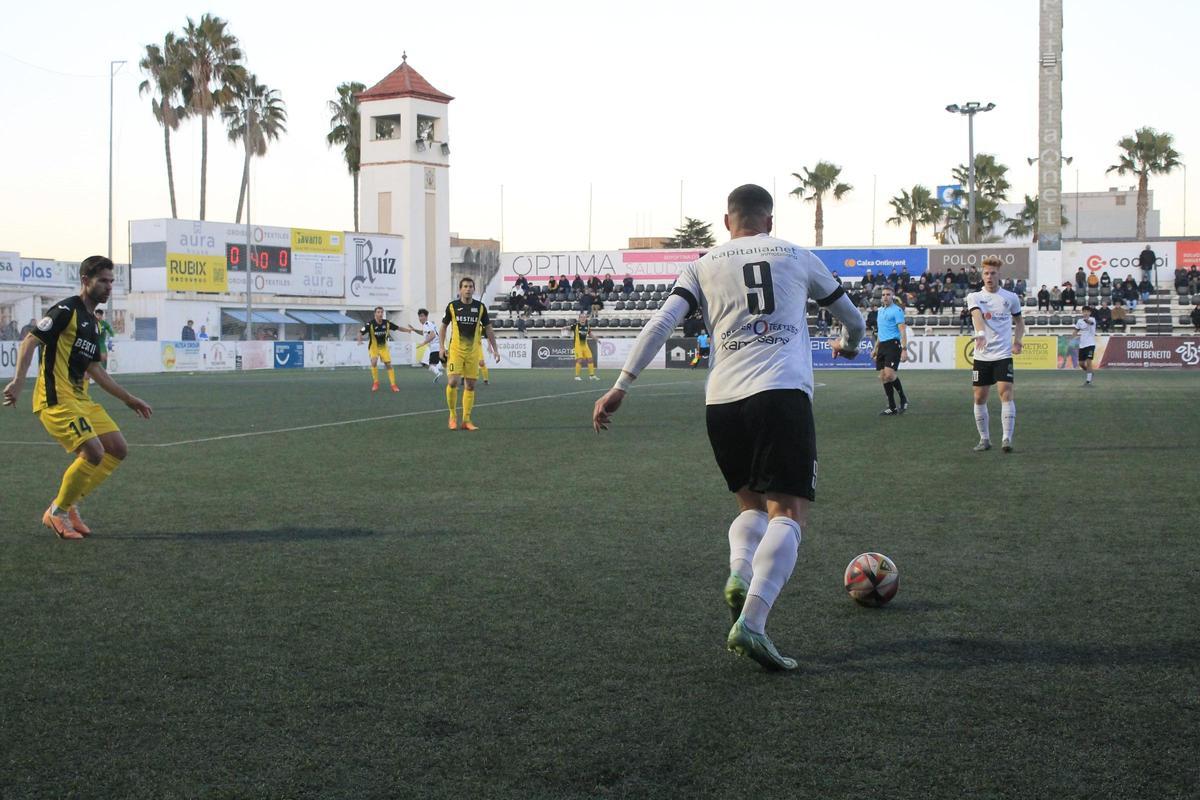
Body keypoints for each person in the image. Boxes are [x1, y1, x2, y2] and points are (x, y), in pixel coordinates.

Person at [591, 184, 866, 672]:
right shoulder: (797, 255)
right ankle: (754, 625)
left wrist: (621, 385)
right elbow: (852, 318)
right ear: (771, 220)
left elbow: (660, 323)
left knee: (750, 503)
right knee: (790, 512)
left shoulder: (702, 264)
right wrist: (848, 343)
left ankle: (740, 572)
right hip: (780, 393)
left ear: (727, 222)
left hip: (722, 401)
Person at [2, 256, 153, 539]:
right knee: (94, 452)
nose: (109, 287)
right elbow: (30, 341)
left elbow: (95, 369)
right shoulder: (66, 309)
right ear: (85, 281)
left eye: (111, 281)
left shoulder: (93, 324)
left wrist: (128, 399)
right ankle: (57, 512)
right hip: (56, 399)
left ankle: (70, 504)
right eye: (103, 281)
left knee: (117, 448)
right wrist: (18, 381)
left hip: (80, 399)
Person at [967, 255, 1023, 454]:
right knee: (979, 397)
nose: (989, 276)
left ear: (999, 275)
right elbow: (977, 316)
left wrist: (1018, 341)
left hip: (1003, 354)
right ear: (982, 275)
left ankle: (1006, 438)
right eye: (986, 273)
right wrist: (980, 334)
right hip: (982, 356)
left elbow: (1019, 322)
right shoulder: (974, 297)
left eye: (993, 273)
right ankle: (984, 439)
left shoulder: (1010, 297)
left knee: (1005, 393)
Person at [439, 277, 499, 431]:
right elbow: (443, 327)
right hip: (455, 351)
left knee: (470, 385)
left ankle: (466, 420)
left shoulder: (480, 308)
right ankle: (452, 416)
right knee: (452, 382)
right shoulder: (452, 306)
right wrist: (441, 347)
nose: (468, 289)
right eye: (465, 286)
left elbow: (489, 329)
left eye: (471, 286)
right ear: (460, 289)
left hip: (473, 352)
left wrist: (495, 349)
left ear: (473, 289)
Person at [872, 286, 909, 416]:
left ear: (892, 296)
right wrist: (876, 349)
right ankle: (892, 407)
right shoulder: (880, 311)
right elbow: (880, 332)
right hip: (882, 346)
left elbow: (902, 331)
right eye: (883, 295)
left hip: (893, 345)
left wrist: (904, 349)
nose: (885, 297)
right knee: (883, 377)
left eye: (888, 294)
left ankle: (903, 398)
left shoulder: (897, 311)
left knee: (889, 374)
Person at [357, 306, 409, 392]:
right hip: (374, 347)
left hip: (383, 347)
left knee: (388, 364)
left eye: (381, 312)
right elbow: (360, 332)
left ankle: (393, 385)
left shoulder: (387, 323)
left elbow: (398, 328)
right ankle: (376, 383)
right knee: (374, 362)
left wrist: (407, 330)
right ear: (375, 314)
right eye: (378, 312)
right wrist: (359, 341)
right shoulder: (370, 324)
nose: (380, 314)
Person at [413, 308, 445, 382]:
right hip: (436, 346)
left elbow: (432, 335)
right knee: (430, 364)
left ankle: (439, 373)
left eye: (422, 316)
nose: (420, 318)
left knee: (431, 365)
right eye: (419, 316)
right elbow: (423, 333)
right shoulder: (427, 325)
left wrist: (423, 343)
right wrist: (415, 330)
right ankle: (439, 371)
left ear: (426, 316)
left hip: (435, 347)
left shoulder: (427, 324)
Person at [1072, 306, 1098, 387]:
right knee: (1081, 364)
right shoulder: (1079, 321)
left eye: (1087, 311)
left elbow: (1091, 323)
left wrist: (1087, 320)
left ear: (1090, 313)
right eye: (1084, 311)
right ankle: (1090, 372)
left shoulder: (1092, 319)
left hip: (1090, 344)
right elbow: (1076, 330)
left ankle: (1088, 381)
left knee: (1089, 361)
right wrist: (1073, 336)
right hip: (1082, 345)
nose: (1086, 313)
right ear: (1082, 312)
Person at [569, 311, 598, 381]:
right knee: (579, 360)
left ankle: (592, 375)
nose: (583, 318)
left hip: (585, 345)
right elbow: (568, 327)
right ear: (579, 318)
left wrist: (596, 339)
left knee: (590, 359)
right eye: (581, 317)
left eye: (584, 317)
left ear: (586, 319)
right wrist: (564, 328)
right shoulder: (576, 325)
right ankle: (577, 376)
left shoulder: (587, 326)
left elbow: (590, 334)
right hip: (578, 346)